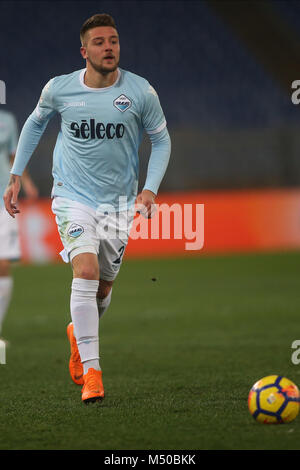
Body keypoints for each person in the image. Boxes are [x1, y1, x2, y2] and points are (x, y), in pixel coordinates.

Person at [3, 13, 171, 404]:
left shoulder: (141, 92)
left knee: (105, 286)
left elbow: (161, 141)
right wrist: (15, 174)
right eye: (99, 42)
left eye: (113, 40)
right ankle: (93, 372)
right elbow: (33, 124)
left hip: (118, 203)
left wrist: (149, 189)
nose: (108, 47)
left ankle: (78, 338)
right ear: (84, 51)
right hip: (72, 196)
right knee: (87, 270)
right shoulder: (59, 89)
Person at [0, 109, 38, 341]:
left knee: (2, 264)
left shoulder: (7, 120)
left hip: (2, 199)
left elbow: (15, 156)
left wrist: (28, 182)